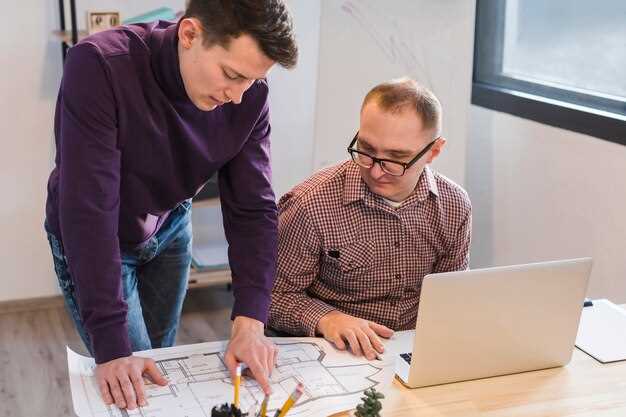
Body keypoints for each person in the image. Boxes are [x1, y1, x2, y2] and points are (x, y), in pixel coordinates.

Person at [44, 0, 297, 410]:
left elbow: (253, 208)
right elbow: (90, 211)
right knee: (132, 386)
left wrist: (251, 321)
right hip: (99, 235)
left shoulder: (249, 95)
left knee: (160, 367)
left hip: (170, 222)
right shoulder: (100, 66)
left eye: (253, 80)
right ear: (190, 34)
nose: (238, 96)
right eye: (232, 75)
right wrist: (111, 347)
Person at [268, 78, 471, 361]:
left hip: (412, 350)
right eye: (366, 150)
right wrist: (327, 318)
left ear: (433, 151)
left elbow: (448, 298)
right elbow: (271, 297)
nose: (375, 171)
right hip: (333, 352)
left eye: (396, 158)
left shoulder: (454, 205)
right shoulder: (309, 204)